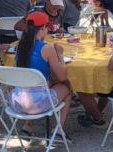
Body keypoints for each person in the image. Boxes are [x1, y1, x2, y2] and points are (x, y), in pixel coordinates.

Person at [11, 11, 72, 139]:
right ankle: (57, 130)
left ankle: (27, 126)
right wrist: (59, 54)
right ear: (43, 27)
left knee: (33, 85)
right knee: (67, 88)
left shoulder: (19, 46)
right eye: (47, 28)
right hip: (36, 104)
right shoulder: (46, 48)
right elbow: (62, 76)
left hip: (16, 101)